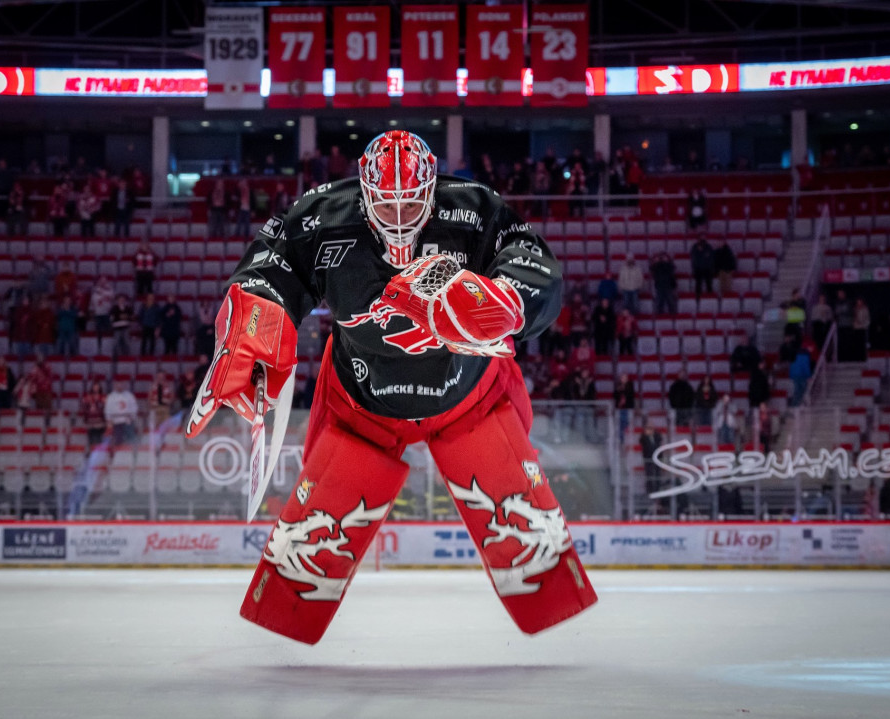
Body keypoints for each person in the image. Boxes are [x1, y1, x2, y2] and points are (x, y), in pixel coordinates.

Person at [183, 130, 595, 644]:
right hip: (362, 407)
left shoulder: (473, 208)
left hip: (468, 399)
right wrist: (256, 322)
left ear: (433, 187)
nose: (399, 217)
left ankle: (553, 606)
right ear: (363, 191)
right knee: (301, 569)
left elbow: (532, 260)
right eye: (386, 204)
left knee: (535, 555)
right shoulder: (322, 215)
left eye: (412, 204)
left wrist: (507, 300)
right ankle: (283, 624)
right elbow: (272, 262)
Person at [105, 379, 138, 445]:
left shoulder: (129, 395)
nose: (119, 386)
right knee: (118, 441)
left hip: (127, 421)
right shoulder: (111, 397)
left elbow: (134, 407)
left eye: (121, 384)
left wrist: (132, 417)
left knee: (131, 440)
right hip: (116, 422)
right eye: (118, 384)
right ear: (115, 385)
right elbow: (107, 410)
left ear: (124, 385)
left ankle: (131, 450)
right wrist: (109, 420)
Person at [80, 381, 108, 447]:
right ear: (92, 388)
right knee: (91, 441)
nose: (96, 388)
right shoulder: (87, 398)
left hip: (100, 424)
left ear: (100, 388)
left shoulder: (103, 398)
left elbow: (106, 409)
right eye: (94, 387)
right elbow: (83, 408)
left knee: (99, 441)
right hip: (90, 424)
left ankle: (99, 451)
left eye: (97, 387)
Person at [639, 425, 664, 494]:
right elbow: (641, 441)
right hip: (648, 459)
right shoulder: (644, 438)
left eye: (651, 429)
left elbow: (660, 439)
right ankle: (650, 491)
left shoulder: (657, 437)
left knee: (657, 474)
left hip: (657, 459)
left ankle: (657, 490)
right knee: (649, 475)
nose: (649, 431)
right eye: (648, 429)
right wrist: (645, 435)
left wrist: (654, 433)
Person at [690, 235, 715, 300]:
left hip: (707, 269)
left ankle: (710, 298)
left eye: (703, 237)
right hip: (698, 269)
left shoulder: (708, 247)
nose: (702, 239)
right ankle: (698, 299)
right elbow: (693, 257)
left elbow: (711, 257)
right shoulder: (695, 247)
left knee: (709, 284)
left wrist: (710, 267)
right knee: (698, 284)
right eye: (701, 237)